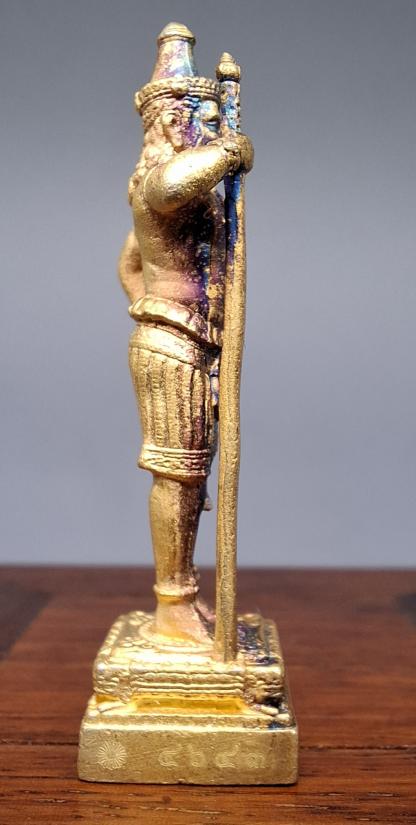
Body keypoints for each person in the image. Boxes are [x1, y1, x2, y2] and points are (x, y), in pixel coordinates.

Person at [119, 23, 253, 645]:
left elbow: (128, 264)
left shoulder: (178, 188)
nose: (206, 126)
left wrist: (151, 308)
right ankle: (172, 607)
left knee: (192, 477)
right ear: (171, 121)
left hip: (186, 339)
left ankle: (184, 599)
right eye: (199, 116)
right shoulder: (157, 182)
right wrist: (228, 152)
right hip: (172, 346)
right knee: (176, 473)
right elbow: (176, 186)